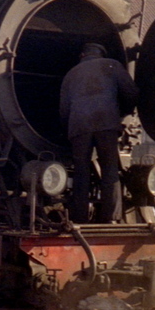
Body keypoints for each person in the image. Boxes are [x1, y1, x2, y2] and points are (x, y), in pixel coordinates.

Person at [59, 42, 139, 223]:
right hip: (106, 123)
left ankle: (79, 217)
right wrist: (122, 114)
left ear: (83, 55)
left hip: (79, 127)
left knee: (81, 172)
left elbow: (64, 109)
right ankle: (111, 217)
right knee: (110, 170)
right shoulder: (112, 65)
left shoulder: (71, 74)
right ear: (101, 54)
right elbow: (131, 92)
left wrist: (68, 130)